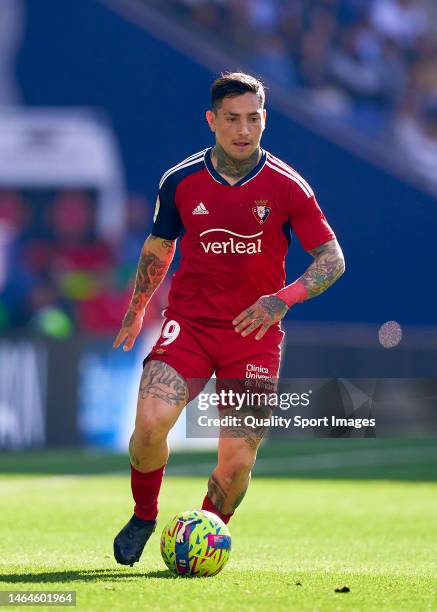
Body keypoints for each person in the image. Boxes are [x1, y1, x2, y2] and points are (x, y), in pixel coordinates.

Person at [112, 72, 345, 566]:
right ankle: (144, 514)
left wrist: (281, 299)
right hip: (190, 327)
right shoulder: (180, 181)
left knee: (236, 463)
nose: (244, 130)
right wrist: (136, 312)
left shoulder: (287, 187)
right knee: (151, 424)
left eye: (254, 119)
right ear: (212, 121)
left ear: (265, 120)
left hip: (254, 337)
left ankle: (198, 539)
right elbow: (159, 249)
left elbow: (332, 259)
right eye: (233, 119)